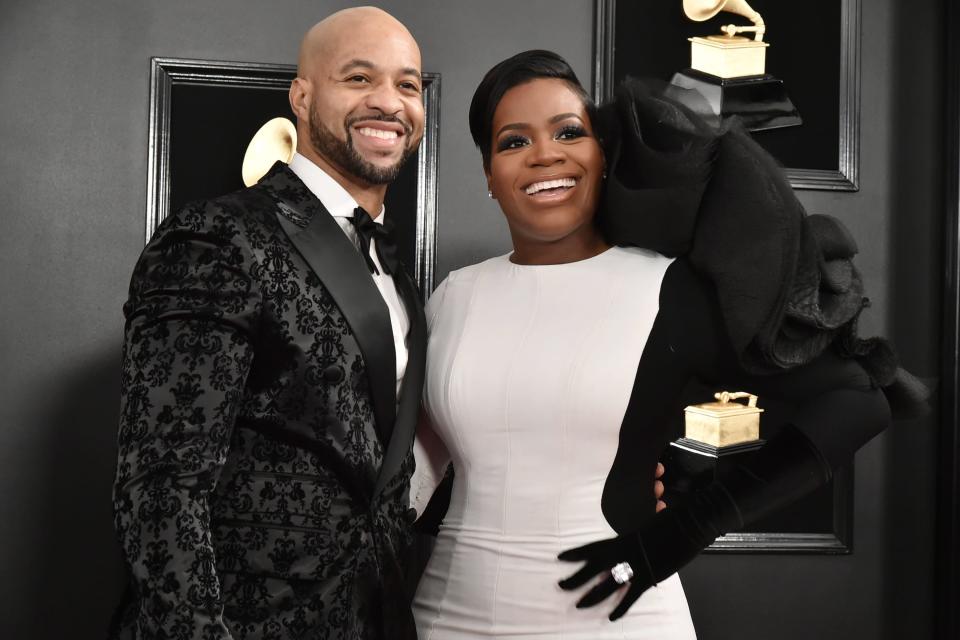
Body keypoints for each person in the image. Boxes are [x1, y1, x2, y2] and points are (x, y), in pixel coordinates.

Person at [409, 50, 892, 638]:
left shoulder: (667, 288)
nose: (545, 154)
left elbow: (856, 400)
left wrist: (684, 529)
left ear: (602, 153)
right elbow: (425, 471)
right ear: (488, 173)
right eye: (513, 141)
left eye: (569, 131)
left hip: (613, 621)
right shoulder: (451, 296)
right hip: (445, 616)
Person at [110, 7, 427, 639]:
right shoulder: (216, 235)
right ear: (302, 98)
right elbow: (161, 486)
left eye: (408, 85)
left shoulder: (395, 267)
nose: (388, 102)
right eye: (359, 78)